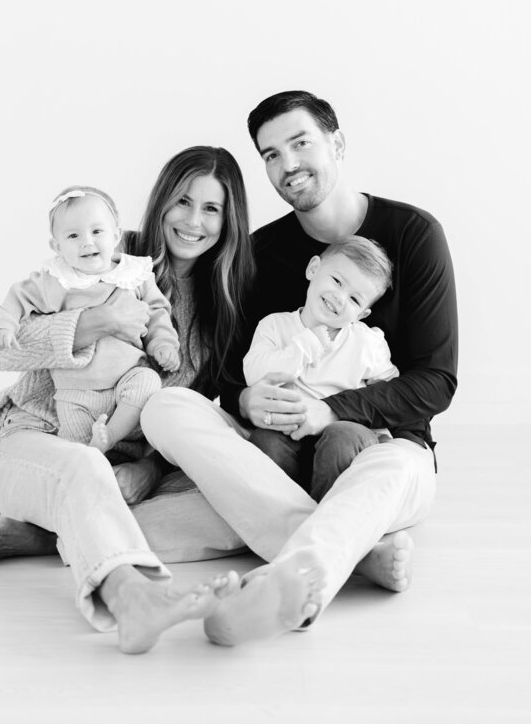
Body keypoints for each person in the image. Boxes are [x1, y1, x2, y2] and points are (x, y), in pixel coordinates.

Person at [141, 89, 458, 646]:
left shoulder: (414, 235)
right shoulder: (261, 253)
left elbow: (436, 381)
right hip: (273, 457)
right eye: (270, 154)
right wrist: (243, 401)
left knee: (391, 472)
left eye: (300, 142)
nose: (287, 164)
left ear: (336, 142)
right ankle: (354, 554)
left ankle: (285, 586)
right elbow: (229, 378)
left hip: (378, 450)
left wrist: (327, 410)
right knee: (167, 407)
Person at [0, 146, 256, 653]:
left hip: (126, 470)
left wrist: (148, 472)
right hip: (40, 440)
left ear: (228, 219)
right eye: (182, 201)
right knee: (84, 466)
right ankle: (134, 602)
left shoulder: (225, 304)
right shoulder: (100, 252)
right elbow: (5, 352)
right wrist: (99, 321)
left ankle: (58, 534)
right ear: (160, 203)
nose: (193, 221)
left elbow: (178, 415)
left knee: (230, 512)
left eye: (211, 209)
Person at [0, 185, 180, 452]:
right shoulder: (56, 280)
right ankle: (92, 455)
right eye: (73, 235)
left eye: (97, 231)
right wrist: (5, 326)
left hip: (124, 380)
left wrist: (163, 344)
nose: (87, 242)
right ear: (56, 246)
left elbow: (158, 312)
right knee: (77, 447)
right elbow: (18, 298)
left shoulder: (134, 274)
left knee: (147, 381)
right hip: (74, 392)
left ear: (115, 235)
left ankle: (111, 435)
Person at [244, 235, 398, 499]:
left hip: (342, 435)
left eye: (354, 300)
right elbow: (254, 374)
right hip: (288, 435)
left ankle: (328, 519)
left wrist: (382, 435)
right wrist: (306, 344)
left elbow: (391, 389)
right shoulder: (275, 326)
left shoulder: (366, 342)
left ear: (361, 315)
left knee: (343, 437)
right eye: (337, 281)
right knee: (264, 442)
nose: (339, 298)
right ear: (313, 269)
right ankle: (284, 514)